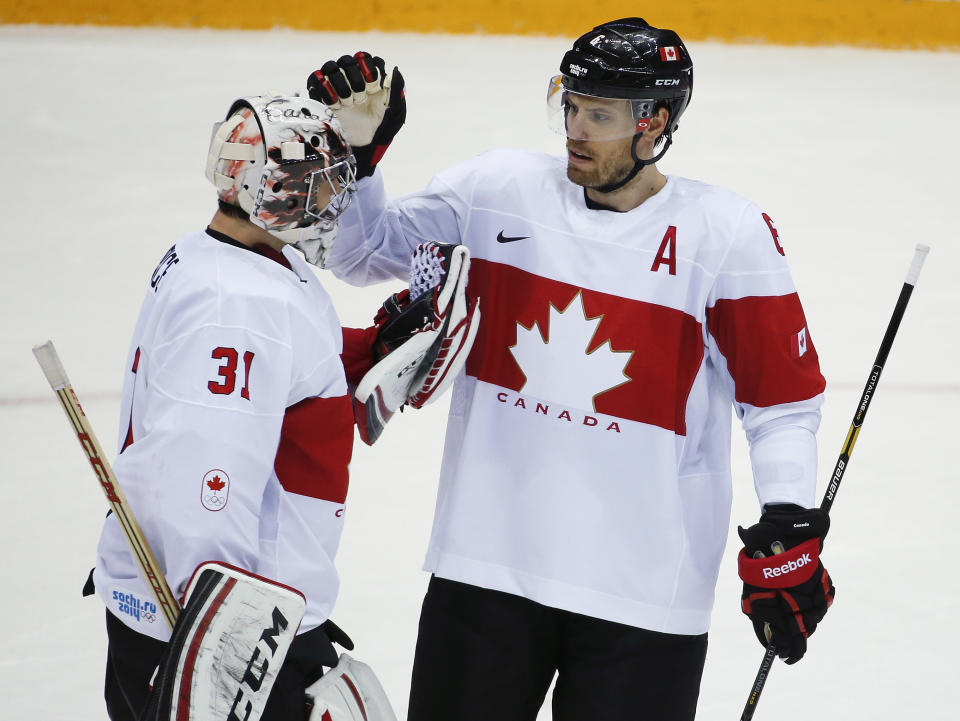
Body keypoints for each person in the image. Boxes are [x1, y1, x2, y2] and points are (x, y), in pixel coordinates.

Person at [311, 18, 835, 721]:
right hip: (484, 569)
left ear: (654, 123)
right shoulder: (496, 190)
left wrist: (790, 517)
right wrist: (358, 159)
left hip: (644, 597)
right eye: (572, 106)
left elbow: (782, 402)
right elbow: (359, 254)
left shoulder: (727, 235)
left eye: (599, 114)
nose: (576, 130)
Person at [90, 90, 471, 721]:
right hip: (218, 630)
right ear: (275, 193)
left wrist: (371, 348)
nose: (333, 202)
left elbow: (281, 380)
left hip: (231, 608)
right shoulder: (238, 305)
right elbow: (206, 485)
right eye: (320, 186)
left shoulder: (227, 257)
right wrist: (228, 652)